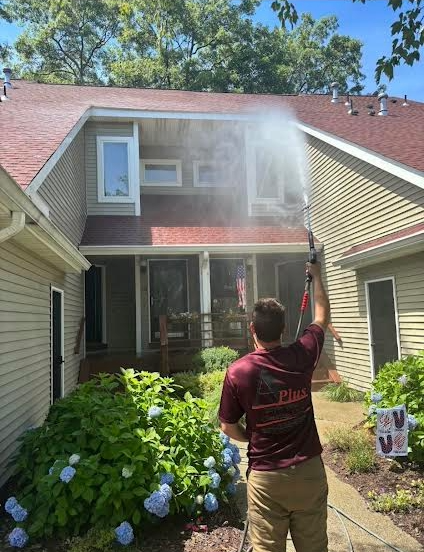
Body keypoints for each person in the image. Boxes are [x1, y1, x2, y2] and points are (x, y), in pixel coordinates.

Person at [219, 262, 330, 552]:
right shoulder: (303, 354)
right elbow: (321, 316)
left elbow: (228, 426)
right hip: (309, 471)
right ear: (283, 328)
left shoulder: (238, 372)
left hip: (266, 478)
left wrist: (249, 437)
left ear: (252, 328)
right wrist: (317, 276)